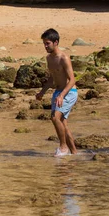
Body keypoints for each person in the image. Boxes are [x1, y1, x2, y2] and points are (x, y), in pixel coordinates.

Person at [36, 28, 78, 157]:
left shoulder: (63, 58)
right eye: (44, 43)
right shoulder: (49, 58)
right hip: (59, 92)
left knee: (55, 117)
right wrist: (42, 92)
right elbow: (51, 79)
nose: (45, 46)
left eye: (47, 43)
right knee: (63, 124)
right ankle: (75, 154)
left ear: (56, 42)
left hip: (69, 92)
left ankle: (63, 147)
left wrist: (61, 95)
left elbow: (72, 80)